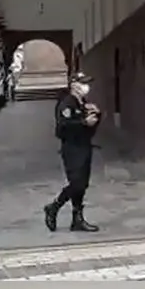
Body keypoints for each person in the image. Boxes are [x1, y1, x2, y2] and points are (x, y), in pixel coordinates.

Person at [43, 72, 100, 233]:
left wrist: (96, 114)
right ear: (74, 85)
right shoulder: (66, 103)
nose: (86, 87)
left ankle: (77, 219)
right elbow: (63, 127)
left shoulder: (82, 103)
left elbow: (90, 128)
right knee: (77, 183)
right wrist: (83, 122)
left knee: (82, 184)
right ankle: (54, 206)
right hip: (72, 148)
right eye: (83, 83)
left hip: (84, 146)